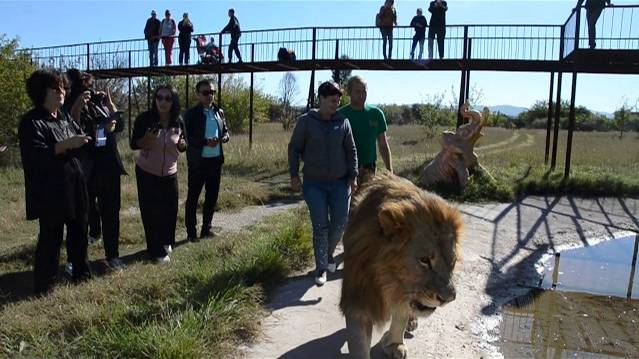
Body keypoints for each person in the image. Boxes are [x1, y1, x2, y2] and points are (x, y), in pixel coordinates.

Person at [18, 69, 93, 295]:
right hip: (51, 188)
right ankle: (44, 286)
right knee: (51, 237)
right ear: (42, 91)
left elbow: (79, 136)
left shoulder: (64, 117)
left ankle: (82, 274)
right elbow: (36, 156)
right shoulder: (31, 122)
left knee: (80, 230)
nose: (61, 91)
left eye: (62, 87)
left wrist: (84, 139)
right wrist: (67, 144)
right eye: (55, 88)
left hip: (75, 181)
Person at [288, 81, 358, 286]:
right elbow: (294, 149)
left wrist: (353, 176)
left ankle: (326, 254)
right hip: (314, 184)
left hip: (339, 183)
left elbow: (351, 151)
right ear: (321, 99)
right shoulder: (306, 122)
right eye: (331, 101)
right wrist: (294, 175)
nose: (335, 105)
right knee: (320, 226)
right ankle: (321, 268)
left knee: (340, 223)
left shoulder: (343, 122)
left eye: (337, 101)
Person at [64, 69, 127, 271]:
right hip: (86, 170)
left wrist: (109, 105)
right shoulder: (67, 106)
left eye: (90, 86)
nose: (89, 91)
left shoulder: (98, 104)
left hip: (109, 167)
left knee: (111, 214)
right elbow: (71, 130)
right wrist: (77, 106)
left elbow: (119, 126)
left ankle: (113, 256)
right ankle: (75, 260)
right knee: (80, 217)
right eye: (84, 87)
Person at [130, 85, 187, 263]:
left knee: (170, 210)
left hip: (170, 172)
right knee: (151, 212)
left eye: (167, 98)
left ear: (174, 101)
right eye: (159, 98)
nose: (162, 102)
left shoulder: (178, 121)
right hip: (147, 172)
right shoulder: (145, 119)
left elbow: (184, 143)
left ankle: (165, 241)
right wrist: (148, 139)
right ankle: (155, 251)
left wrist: (182, 146)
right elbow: (134, 144)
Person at [183, 80, 230, 242]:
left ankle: (206, 229)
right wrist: (205, 142)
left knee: (211, 197)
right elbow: (185, 138)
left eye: (212, 92)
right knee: (193, 197)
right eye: (205, 92)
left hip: (215, 161)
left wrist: (223, 138)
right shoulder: (191, 114)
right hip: (198, 162)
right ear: (197, 94)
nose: (210, 95)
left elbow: (226, 132)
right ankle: (191, 233)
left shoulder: (219, 112)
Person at [338, 76, 393, 184]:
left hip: (369, 168)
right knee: (347, 200)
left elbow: (383, 144)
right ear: (349, 93)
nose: (362, 95)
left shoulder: (376, 114)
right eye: (357, 91)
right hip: (345, 167)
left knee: (367, 199)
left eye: (364, 91)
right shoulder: (340, 115)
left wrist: (390, 171)